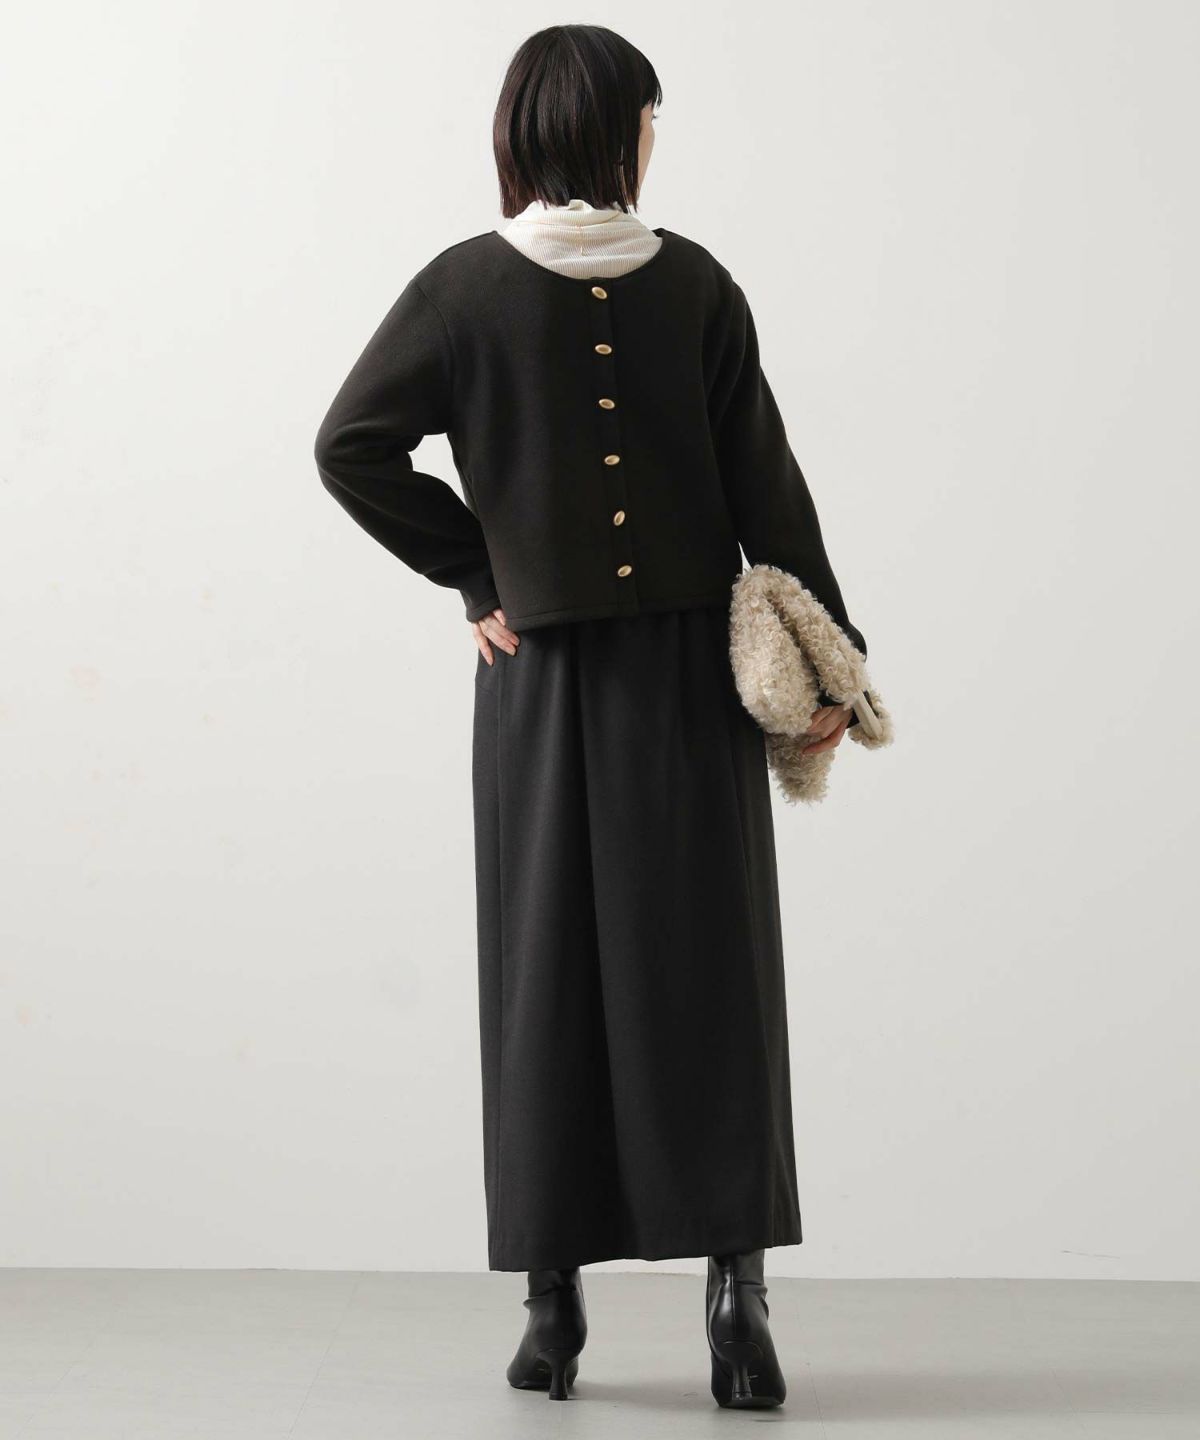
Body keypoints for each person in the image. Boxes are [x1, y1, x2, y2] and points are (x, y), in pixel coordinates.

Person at [313, 23, 869, 1411]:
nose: (654, 144)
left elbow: (348, 444)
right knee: (712, 982)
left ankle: (551, 1311)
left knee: (545, 981)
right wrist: (836, 671)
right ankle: (737, 1302)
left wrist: (483, 574)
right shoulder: (692, 284)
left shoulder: (464, 288)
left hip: (549, 688)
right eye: (649, 121)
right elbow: (769, 489)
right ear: (615, 131)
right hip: (681, 682)